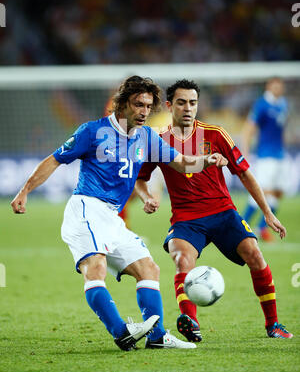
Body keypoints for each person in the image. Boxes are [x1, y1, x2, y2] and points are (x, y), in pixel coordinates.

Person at [11, 75, 227, 351]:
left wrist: (206, 161)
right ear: (122, 104)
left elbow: (182, 163)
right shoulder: (92, 131)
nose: (144, 112)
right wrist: (25, 190)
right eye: (138, 105)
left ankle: (157, 336)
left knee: (149, 268)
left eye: (149, 106)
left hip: (112, 217)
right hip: (86, 209)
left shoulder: (147, 136)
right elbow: (55, 159)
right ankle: (121, 332)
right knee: (96, 268)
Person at [135, 79, 293, 343]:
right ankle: (191, 323)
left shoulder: (216, 134)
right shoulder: (159, 141)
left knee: (255, 255)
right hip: (186, 218)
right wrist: (147, 196)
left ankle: (273, 323)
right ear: (169, 105)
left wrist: (267, 212)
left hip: (222, 212)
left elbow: (244, 174)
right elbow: (140, 178)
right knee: (181, 259)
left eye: (193, 103)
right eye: (182, 102)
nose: (188, 108)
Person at [242, 77, 289, 242]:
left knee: (278, 192)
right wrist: (245, 152)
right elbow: (249, 128)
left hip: (280, 155)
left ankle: (263, 228)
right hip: (265, 156)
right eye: (275, 86)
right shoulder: (261, 105)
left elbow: (281, 130)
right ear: (269, 87)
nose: (278, 88)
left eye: (280, 86)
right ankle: (241, 226)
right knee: (261, 192)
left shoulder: (283, 104)